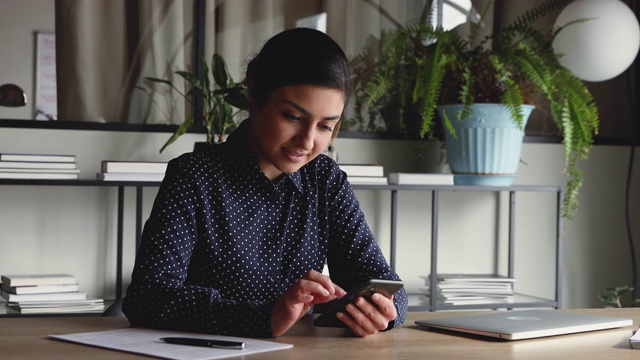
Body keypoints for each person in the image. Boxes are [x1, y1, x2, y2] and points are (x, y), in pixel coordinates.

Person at [122, 27, 408, 338]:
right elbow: (147, 298)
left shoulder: (325, 181)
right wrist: (264, 317)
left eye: (326, 126)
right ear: (254, 94)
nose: (308, 141)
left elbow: (383, 281)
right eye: (293, 117)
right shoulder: (194, 176)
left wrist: (383, 311)